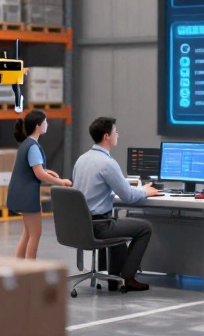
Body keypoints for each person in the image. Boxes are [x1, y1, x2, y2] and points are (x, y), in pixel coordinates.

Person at [70, 116, 162, 292]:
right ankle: (127, 277)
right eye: (115, 131)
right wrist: (145, 191)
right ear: (106, 136)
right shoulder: (107, 163)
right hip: (98, 225)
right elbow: (127, 196)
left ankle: (115, 278)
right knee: (144, 228)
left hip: (80, 224)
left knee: (117, 223)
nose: (117, 134)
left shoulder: (81, 160)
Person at [9, 109, 71, 260]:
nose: (47, 124)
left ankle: (20, 267)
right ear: (38, 126)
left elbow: (35, 168)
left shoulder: (26, 144)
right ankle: (31, 269)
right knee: (35, 234)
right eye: (45, 122)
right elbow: (39, 174)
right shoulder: (33, 147)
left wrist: (48, 171)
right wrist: (61, 182)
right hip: (28, 196)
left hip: (19, 194)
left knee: (28, 233)